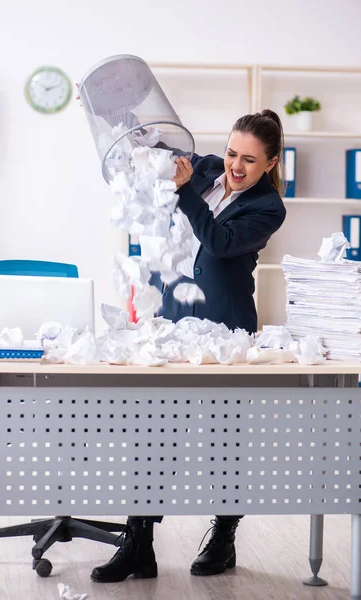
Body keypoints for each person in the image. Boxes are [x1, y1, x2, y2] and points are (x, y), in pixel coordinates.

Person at [91, 109, 287, 584]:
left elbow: (218, 242)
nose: (235, 167)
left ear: (271, 162)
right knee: (154, 435)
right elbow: (150, 142)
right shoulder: (201, 169)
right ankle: (139, 544)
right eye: (232, 153)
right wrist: (109, 107)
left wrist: (183, 193)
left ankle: (223, 536)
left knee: (225, 441)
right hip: (173, 327)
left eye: (249, 160)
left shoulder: (268, 208)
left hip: (226, 334)